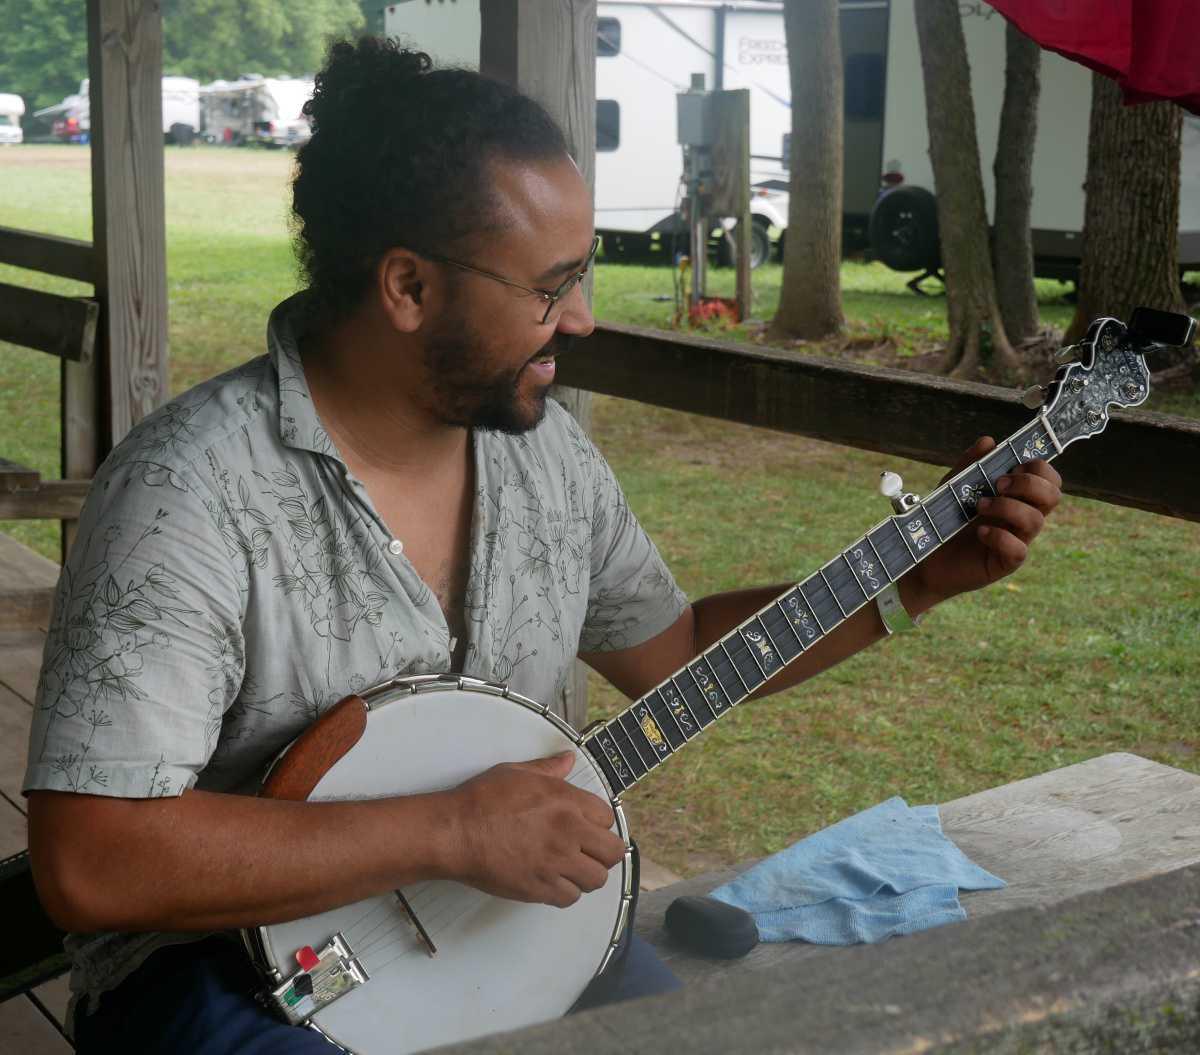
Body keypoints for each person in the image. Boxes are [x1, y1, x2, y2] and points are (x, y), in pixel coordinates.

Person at [23, 38, 1062, 1054]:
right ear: (409, 287)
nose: (586, 319)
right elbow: (93, 862)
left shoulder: (545, 459)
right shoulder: (187, 494)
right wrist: (451, 830)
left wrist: (917, 578)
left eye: (586, 273)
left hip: (488, 927)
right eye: (549, 286)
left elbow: (678, 648)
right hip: (211, 970)